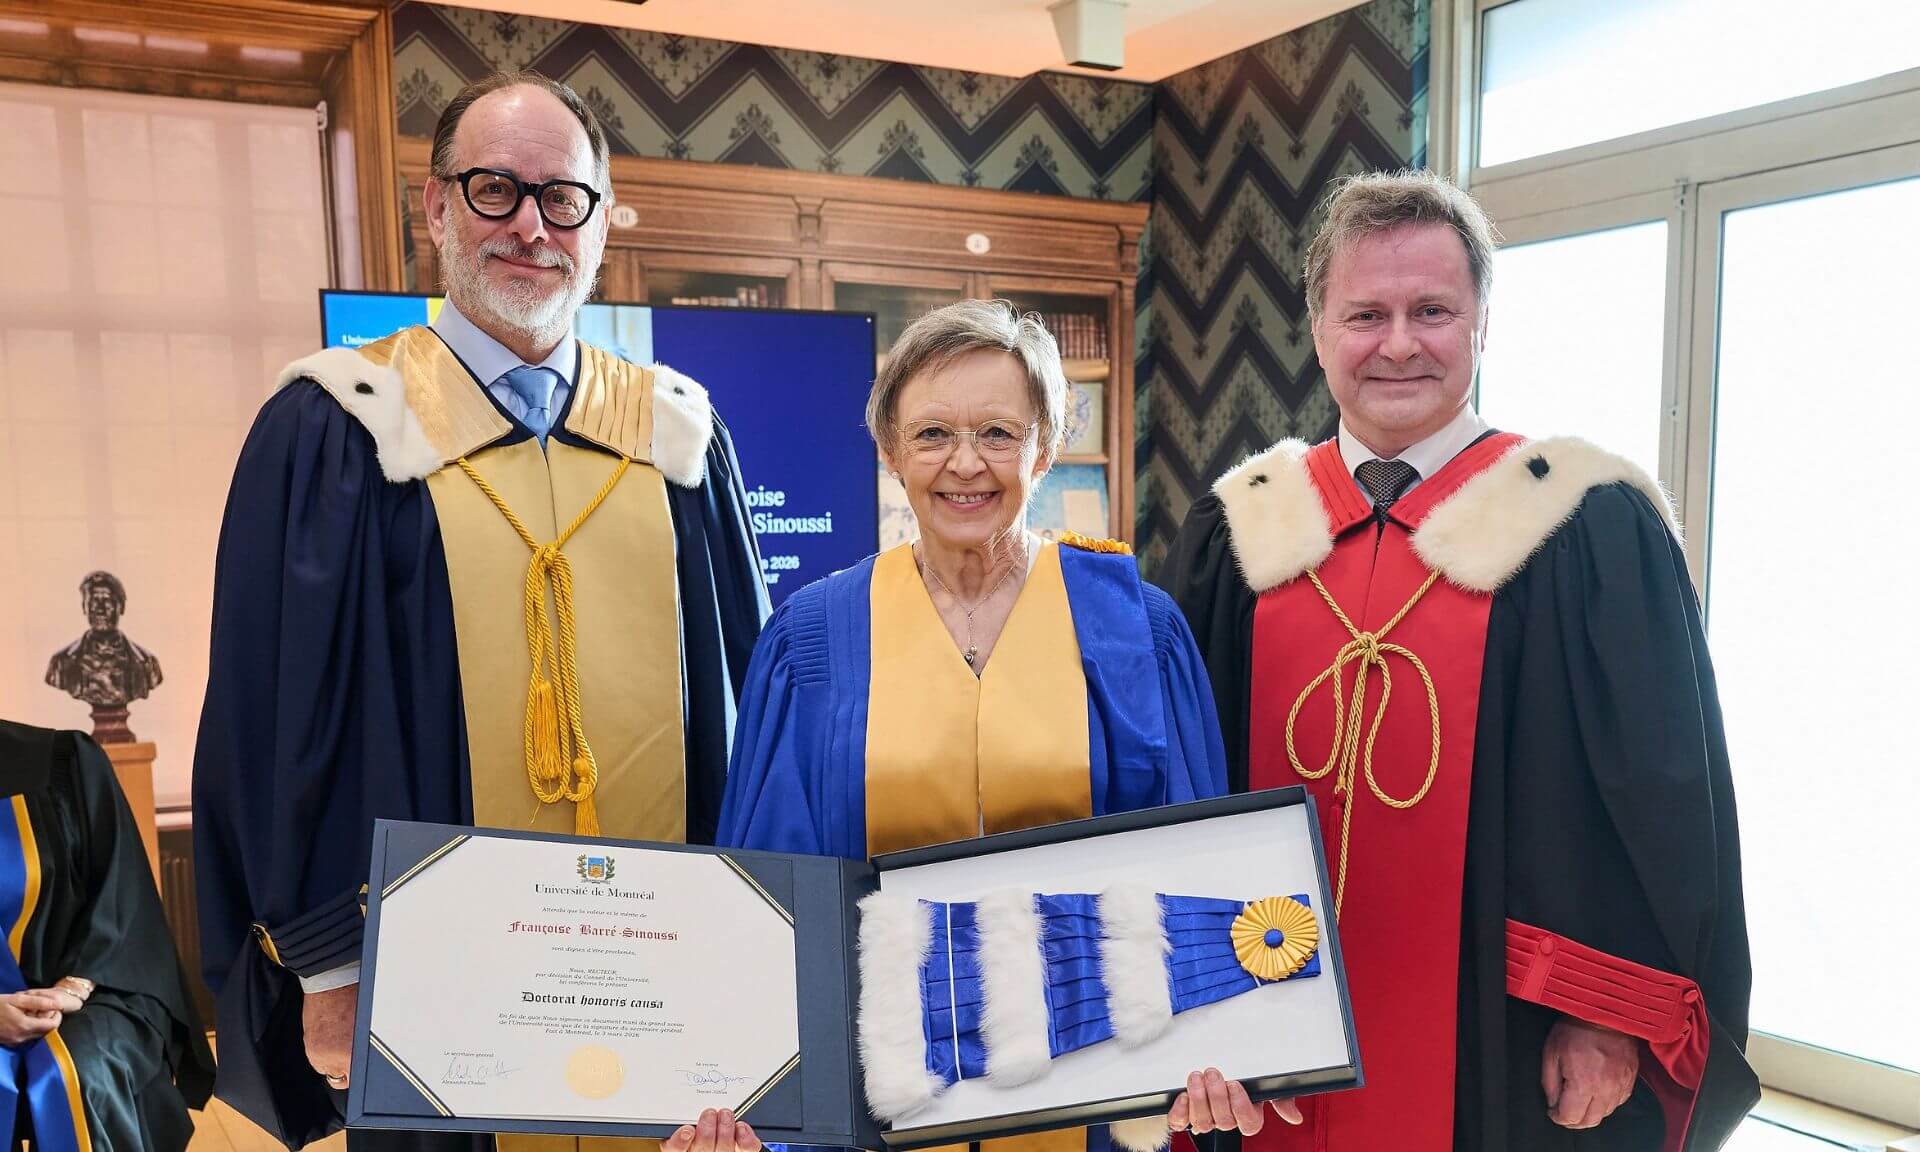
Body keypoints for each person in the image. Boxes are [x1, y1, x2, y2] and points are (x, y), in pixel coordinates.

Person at [193, 70, 768, 1152]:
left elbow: (748, 710)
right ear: (435, 207)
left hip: (656, 980)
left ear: (599, 221)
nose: (530, 228)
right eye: (495, 189)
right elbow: (271, 727)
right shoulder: (338, 428)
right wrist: (328, 964)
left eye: (563, 198)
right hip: (431, 990)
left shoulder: (678, 439)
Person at [1161, 169, 1757, 1151]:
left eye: (1432, 310)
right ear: (1318, 330)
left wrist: (1607, 1007)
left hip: (1501, 1035)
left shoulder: (1584, 523)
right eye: (1366, 314)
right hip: (1255, 1027)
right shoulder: (1240, 528)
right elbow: (1175, 786)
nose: (1398, 343)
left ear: (1482, 323)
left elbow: (1662, 798)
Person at [718, 299, 1271, 1152]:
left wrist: (1221, 1048)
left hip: (1091, 1084)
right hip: (881, 1095)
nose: (964, 465)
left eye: (999, 434)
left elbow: (1194, 868)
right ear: (890, 451)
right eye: (932, 433)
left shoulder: (1134, 632)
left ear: (1044, 446)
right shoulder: (816, 638)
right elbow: (772, 890)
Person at [0, 719, 214, 1152]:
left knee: (83, 1073)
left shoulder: (61, 761)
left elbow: (122, 897)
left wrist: (73, 988)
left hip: (86, 989)